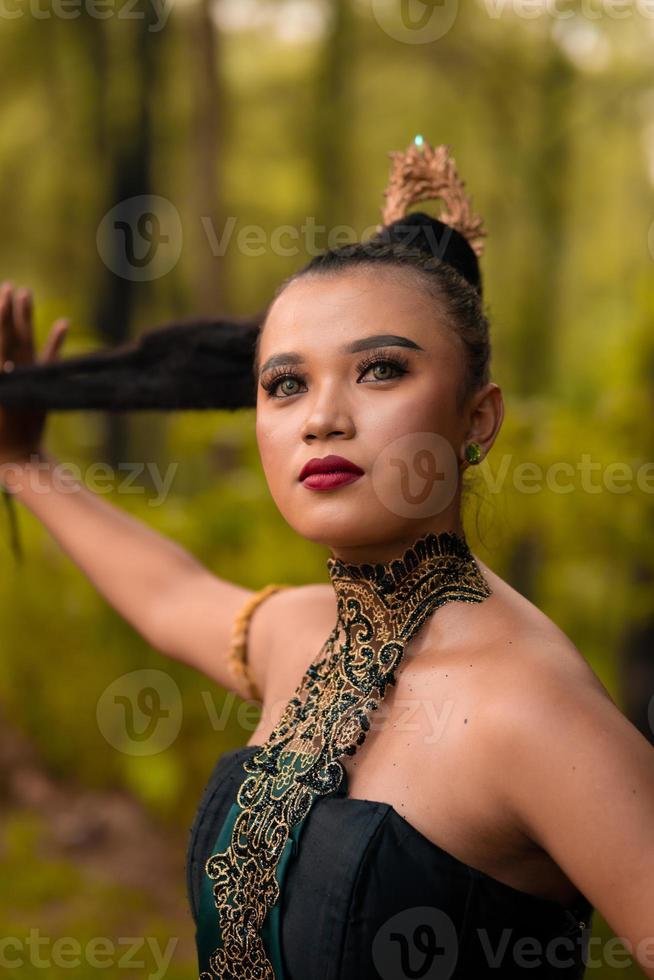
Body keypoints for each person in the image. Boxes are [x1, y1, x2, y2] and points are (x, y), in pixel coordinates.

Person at [1, 139, 653, 980]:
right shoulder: (303, 636)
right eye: (285, 384)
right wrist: (24, 463)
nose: (323, 418)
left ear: (478, 420)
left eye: (380, 370)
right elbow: (170, 595)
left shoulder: (533, 709)